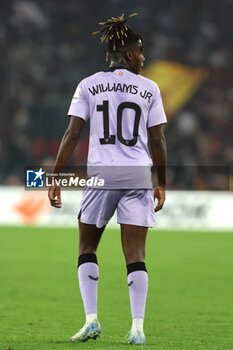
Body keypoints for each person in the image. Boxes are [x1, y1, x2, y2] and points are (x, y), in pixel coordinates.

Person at [48, 13, 167, 345]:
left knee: (87, 246)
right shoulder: (149, 88)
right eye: (141, 51)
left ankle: (91, 321)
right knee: (136, 254)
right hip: (138, 175)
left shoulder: (88, 85)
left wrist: (54, 177)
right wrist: (162, 181)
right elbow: (157, 140)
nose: (144, 58)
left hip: (102, 175)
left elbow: (72, 134)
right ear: (129, 54)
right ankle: (138, 328)